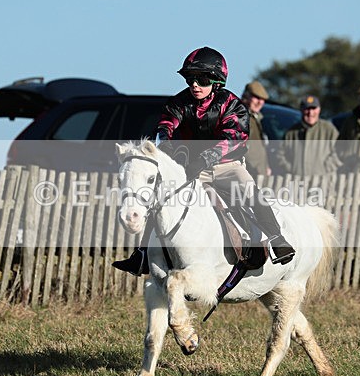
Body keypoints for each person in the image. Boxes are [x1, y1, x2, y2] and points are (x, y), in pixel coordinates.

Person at [112, 47, 295, 276]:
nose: (195, 85)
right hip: (191, 167)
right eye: (190, 79)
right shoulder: (178, 103)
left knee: (250, 192)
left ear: (216, 82)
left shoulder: (233, 105)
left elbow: (232, 139)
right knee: (161, 200)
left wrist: (204, 159)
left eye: (202, 79)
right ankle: (141, 254)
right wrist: (169, 148)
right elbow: (164, 128)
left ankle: (278, 239)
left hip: (227, 166)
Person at [275, 95, 340, 176]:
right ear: (301, 110)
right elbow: (279, 155)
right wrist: (291, 169)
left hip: (323, 182)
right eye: (307, 109)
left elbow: (341, 151)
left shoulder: (329, 130)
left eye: (313, 108)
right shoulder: (291, 133)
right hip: (298, 182)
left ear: (319, 110)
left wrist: (325, 168)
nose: (310, 113)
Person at [241, 81, 271, 177]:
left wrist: (265, 167)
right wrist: (256, 168)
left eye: (262, 99)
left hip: (259, 173)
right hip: (249, 173)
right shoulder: (241, 117)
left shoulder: (255, 118)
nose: (260, 102)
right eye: (257, 98)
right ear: (246, 96)